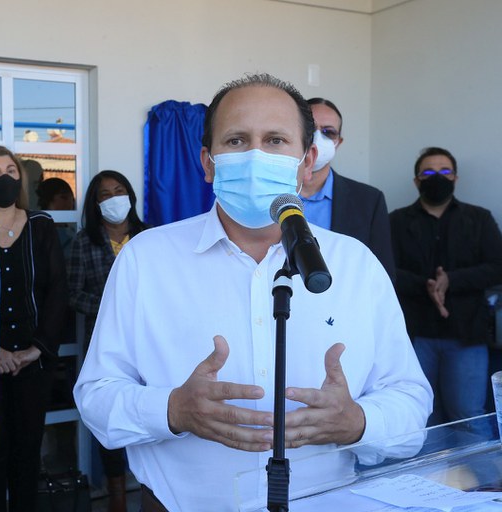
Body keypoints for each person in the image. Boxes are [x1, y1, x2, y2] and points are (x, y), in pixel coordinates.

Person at [73, 73, 432, 512]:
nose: (256, 156)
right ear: (208, 162)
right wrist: (172, 410)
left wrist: (358, 421)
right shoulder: (145, 259)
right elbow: (96, 395)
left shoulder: (355, 264)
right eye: (237, 141)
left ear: (307, 161)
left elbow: (410, 401)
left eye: (276, 140)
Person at [0, 145, 68, 512]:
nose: (4, 178)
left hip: (33, 363)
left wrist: (36, 348)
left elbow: (57, 290)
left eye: (10, 171)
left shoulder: (41, 225)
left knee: (27, 455)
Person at [390, 147, 502, 430]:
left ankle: (479, 464)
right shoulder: (395, 221)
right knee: (419, 416)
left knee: (468, 415)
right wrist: (425, 285)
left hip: (467, 333)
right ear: (416, 180)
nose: (437, 177)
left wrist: (452, 280)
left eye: (445, 171)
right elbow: (384, 270)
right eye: (428, 172)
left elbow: (498, 266)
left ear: (455, 178)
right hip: (414, 335)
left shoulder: (479, 218)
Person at [67, 170, 149, 511]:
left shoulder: (149, 237)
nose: (114, 198)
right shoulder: (84, 241)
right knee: (112, 412)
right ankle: (117, 496)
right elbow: (73, 294)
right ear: (95, 203)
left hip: (149, 342)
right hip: (105, 343)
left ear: (130, 196)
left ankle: (150, 490)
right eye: (105, 194)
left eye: (119, 191)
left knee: (149, 411)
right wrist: (110, 308)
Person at [299, 97, 396, 280]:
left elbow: (381, 275)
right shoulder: (268, 193)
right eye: (310, 128)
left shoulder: (369, 201)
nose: (317, 138)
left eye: (328, 132)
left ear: (339, 142)